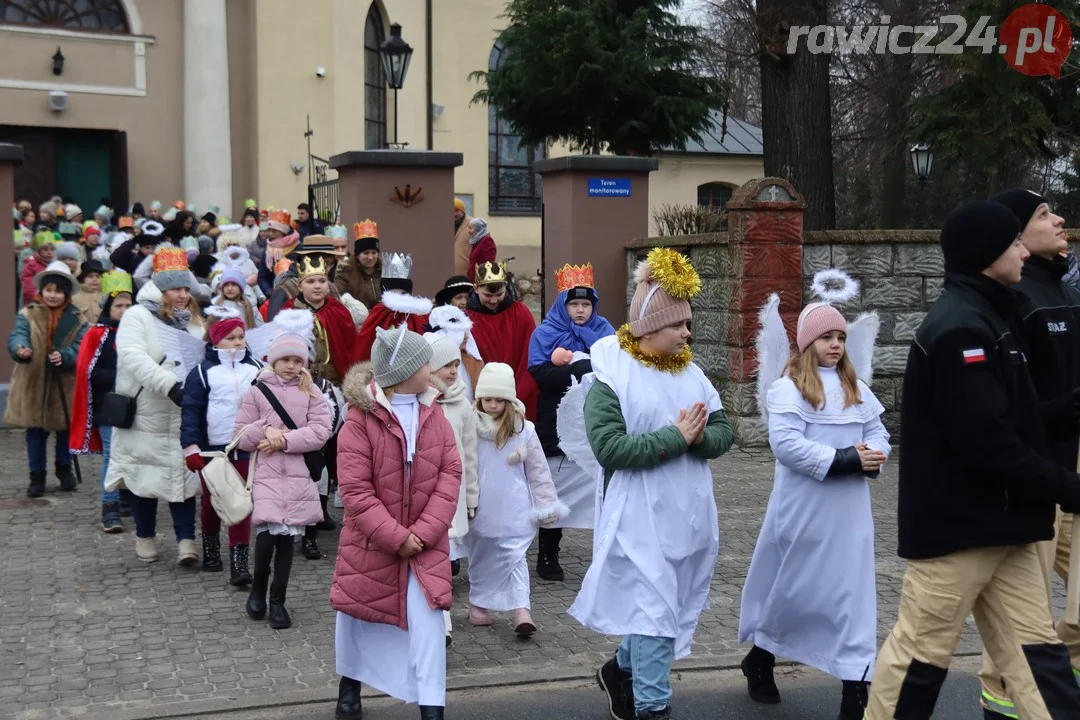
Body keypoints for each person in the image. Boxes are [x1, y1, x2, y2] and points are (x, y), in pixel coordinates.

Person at [865, 201, 1080, 719]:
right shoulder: (961, 330)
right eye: (1014, 244)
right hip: (959, 532)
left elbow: (1015, 421)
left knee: (1039, 660)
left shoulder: (991, 316)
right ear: (988, 255)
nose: (1025, 252)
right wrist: (1069, 487)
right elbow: (988, 444)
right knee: (921, 656)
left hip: (1008, 527)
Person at [569, 248, 734, 720]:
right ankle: (653, 708)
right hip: (637, 516)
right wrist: (675, 437)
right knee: (656, 615)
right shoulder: (611, 376)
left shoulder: (694, 373)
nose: (687, 333)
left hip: (687, 513)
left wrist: (699, 439)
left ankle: (620, 669)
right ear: (649, 326)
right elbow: (610, 449)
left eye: (688, 324)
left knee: (657, 613)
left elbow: (723, 432)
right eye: (678, 325)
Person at [738, 298, 890, 720]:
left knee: (852, 597)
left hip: (850, 514)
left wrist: (874, 454)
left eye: (841, 336)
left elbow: (878, 431)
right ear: (808, 343)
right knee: (798, 590)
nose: (837, 344)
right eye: (827, 336)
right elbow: (785, 445)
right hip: (805, 510)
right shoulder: (788, 389)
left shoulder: (857, 388)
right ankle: (762, 657)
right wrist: (845, 460)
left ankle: (855, 692)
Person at [976, 189, 1080, 719]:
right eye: (1043, 214)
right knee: (1026, 614)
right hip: (1039, 483)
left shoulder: (1067, 287)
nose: (1060, 219)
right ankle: (1004, 699)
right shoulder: (1014, 301)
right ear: (1015, 235)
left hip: (1072, 476)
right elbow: (1014, 408)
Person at [332, 326, 461, 720]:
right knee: (360, 616)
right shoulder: (359, 419)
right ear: (405, 372)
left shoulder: (433, 410)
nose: (431, 369)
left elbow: (450, 473)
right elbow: (355, 490)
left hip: (425, 543)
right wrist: (394, 536)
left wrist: (422, 533)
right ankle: (350, 685)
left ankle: (432, 707)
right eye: (424, 362)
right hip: (373, 541)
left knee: (428, 625)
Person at [105, 247, 205, 566]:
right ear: (162, 289)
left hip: (180, 413)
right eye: (177, 288)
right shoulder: (137, 316)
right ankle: (144, 536)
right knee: (143, 476)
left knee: (184, 477)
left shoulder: (194, 322)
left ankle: (186, 540)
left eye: (187, 288)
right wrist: (168, 385)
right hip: (145, 414)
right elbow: (133, 357)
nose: (183, 295)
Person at [234, 327, 332, 629]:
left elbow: (321, 431)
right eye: (285, 359)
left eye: (297, 360)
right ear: (273, 360)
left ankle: (278, 599)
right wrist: (266, 430)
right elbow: (240, 434)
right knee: (268, 534)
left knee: (288, 538)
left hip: (298, 472)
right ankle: (258, 590)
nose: (291, 366)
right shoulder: (256, 390)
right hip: (267, 472)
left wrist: (286, 440)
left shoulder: (311, 390)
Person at [527, 262, 615, 581]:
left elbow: (616, 370)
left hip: (596, 422)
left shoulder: (606, 333)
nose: (580, 310)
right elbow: (539, 373)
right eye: (574, 304)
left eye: (586, 304)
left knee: (602, 488)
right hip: (555, 423)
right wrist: (574, 372)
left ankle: (607, 553)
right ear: (563, 305)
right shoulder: (546, 333)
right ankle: (548, 554)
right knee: (556, 486)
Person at [466, 362, 565, 637]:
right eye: (487, 399)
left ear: (510, 399)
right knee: (482, 556)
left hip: (515, 508)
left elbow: (538, 470)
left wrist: (546, 505)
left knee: (515, 557)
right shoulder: (469, 427)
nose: (493, 405)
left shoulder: (525, 429)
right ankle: (479, 603)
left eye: (500, 399)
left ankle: (521, 609)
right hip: (481, 507)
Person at [180, 309, 262, 585]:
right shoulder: (203, 373)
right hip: (213, 448)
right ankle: (211, 549)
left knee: (241, 501)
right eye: (230, 338)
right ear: (215, 342)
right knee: (213, 501)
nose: (238, 342)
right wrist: (191, 446)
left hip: (247, 446)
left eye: (241, 337)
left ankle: (239, 563)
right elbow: (190, 410)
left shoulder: (257, 369)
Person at [6, 261, 88, 498]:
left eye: (58, 290)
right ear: (42, 291)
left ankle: (64, 469)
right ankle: (36, 476)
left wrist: (66, 355)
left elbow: (80, 345)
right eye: (49, 290)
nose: (53, 295)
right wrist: (20, 349)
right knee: (35, 432)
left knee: (64, 429)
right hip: (33, 381)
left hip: (63, 382)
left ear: (66, 293)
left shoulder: (78, 318)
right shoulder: (28, 313)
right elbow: (18, 335)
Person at [70, 270, 135, 531]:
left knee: (132, 453)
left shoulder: (138, 333)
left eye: (128, 305)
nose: (124, 309)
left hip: (136, 406)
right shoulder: (97, 334)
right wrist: (123, 375)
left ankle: (127, 497)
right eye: (119, 305)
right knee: (112, 455)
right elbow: (90, 373)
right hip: (108, 407)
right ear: (109, 306)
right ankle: (109, 506)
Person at [425, 333, 479, 645]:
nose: (452, 371)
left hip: (452, 496)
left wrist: (472, 496)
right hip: (421, 496)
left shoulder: (461, 405)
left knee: (442, 560)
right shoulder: (417, 403)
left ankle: (441, 619)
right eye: (445, 365)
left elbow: (470, 456)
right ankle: (435, 619)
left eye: (456, 365)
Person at [466, 261, 539, 419]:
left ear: (506, 287)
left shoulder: (521, 314)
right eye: (488, 295)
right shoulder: (466, 319)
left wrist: (513, 397)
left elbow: (529, 356)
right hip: (480, 399)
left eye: (499, 294)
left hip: (516, 395)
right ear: (476, 288)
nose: (493, 301)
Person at [277, 253, 358, 385]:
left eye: (322, 281)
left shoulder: (338, 311)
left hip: (335, 382)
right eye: (310, 281)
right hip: (300, 381)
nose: (317, 286)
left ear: (328, 285)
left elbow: (350, 350)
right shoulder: (289, 313)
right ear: (299, 286)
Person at [355, 252, 432, 361]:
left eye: (403, 294)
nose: (398, 298)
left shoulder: (418, 316)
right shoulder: (378, 314)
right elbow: (365, 344)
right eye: (393, 293)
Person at [265, 235, 344, 321]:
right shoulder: (285, 288)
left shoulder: (330, 286)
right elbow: (274, 326)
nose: (327, 268)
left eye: (330, 264)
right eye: (325, 263)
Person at [427, 304, 484, 402]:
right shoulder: (429, 364)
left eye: (467, 332)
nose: (466, 337)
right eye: (460, 332)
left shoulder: (473, 362)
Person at [334, 220, 382, 310]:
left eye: (374, 252)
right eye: (366, 253)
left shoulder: (384, 272)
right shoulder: (345, 272)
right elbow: (337, 299)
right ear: (357, 254)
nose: (370, 257)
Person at [258, 209, 300, 297]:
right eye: (269, 230)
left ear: (284, 232)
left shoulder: (298, 247)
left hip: (297, 292)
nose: (270, 234)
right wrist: (269, 292)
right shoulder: (268, 250)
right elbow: (262, 276)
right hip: (273, 294)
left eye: (274, 231)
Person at [21, 230, 58, 308]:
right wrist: (40, 299)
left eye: (52, 249)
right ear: (38, 251)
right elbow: (28, 287)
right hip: (35, 303)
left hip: (53, 301)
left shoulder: (56, 264)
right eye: (45, 249)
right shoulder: (31, 264)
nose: (49, 252)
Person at [464, 218, 497, 284]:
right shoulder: (478, 240)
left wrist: (482, 278)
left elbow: (489, 262)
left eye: (471, 228)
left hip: (481, 280)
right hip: (474, 279)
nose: (468, 231)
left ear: (478, 228)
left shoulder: (486, 240)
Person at [74, 259, 105, 324]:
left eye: (98, 276)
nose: (94, 279)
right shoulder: (75, 298)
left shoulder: (107, 295)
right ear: (83, 279)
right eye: (90, 276)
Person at [453, 198, 474, 277]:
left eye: (457, 210)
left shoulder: (472, 223)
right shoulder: (444, 224)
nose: (454, 214)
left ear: (462, 210)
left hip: (466, 270)